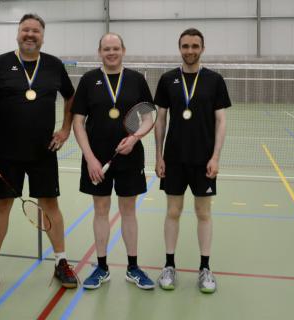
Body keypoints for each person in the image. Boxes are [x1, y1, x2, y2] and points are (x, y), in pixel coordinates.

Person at [0, 13, 77, 293]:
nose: (30, 35)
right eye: (25, 30)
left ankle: (61, 261)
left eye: (35, 31)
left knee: (51, 205)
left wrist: (66, 129)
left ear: (42, 36)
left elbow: (71, 96)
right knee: (0, 207)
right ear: (18, 34)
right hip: (5, 152)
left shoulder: (54, 66)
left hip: (44, 150)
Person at [72, 33, 155, 290]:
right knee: (100, 211)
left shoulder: (136, 80)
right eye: (106, 49)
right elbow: (78, 122)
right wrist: (90, 158)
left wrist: (135, 138)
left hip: (130, 157)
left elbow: (149, 116)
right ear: (99, 52)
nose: (111, 52)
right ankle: (102, 267)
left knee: (129, 211)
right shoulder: (88, 80)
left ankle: (133, 267)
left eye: (115, 48)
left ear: (123, 50)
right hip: (97, 160)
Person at [154, 28, 231, 293]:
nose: (190, 50)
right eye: (185, 46)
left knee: (203, 213)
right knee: (172, 212)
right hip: (174, 159)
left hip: (204, 161)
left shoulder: (214, 80)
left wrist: (216, 157)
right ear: (179, 48)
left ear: (202, 48)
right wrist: (158, 155)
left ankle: (205, 269)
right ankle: (169, 265)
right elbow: (160, 120)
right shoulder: (167, 80)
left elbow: (221, 121)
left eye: (195, 46)